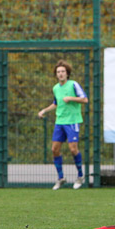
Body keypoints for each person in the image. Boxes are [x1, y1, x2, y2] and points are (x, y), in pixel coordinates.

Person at [37, 60, 88, 190]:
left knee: (73, 149)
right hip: (59, 122)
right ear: (56, 74)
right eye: (58, 72)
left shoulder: (73, 85)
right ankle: (61, 178)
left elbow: (85, 99)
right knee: (54, 149)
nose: (60, 74)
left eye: (63, 72)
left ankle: (80, 176)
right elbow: (56, 103)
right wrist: (44, 110)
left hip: (72, 121)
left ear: (67, 73)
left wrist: (71, 98)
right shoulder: (55, 88)